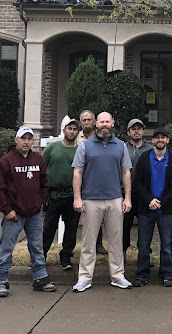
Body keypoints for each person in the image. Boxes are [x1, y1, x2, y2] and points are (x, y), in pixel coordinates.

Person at [0, 127, 56, 298]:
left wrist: (41, 201)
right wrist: (7, 210)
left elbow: (44, 182)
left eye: (29, 138)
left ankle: (40, 278)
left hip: (34, 213)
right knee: (7, 247)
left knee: (37, 246)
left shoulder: (38, 159)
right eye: (23, 138)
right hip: (14, 214)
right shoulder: (6, 161)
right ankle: (0, 280)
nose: (26, 142)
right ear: (16, 140)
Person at [71, 111, 133, 291]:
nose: (104, 124)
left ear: (112, 123)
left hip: (115, 199)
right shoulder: (85, 146)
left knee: (116, 241)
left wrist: (127, 198)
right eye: (101, 122)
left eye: (107, 121)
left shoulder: (121, 146)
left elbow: (126, 173)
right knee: (88, 242)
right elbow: (77, 172)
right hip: (91, 200)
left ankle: (118, 276)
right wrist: (77, 198)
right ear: (96, 124)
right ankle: (84, 278)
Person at [132, 127, 172, 287]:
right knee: (143, 245)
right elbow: (137, 183)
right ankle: (142, 275)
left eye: (163, 137)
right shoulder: (144, 158)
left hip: (166, 210)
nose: (160, 140)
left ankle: (167, 274)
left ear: (167, 140)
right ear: (152, 140)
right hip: (146, 208)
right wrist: (149, 200)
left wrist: (162, 201)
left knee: (166, 244)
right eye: (157, 137)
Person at [42, 118, 81, 270]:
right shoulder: (52, 148)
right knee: (48, 228)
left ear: (78, 132)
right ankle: (41, 256)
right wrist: (43, 193)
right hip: (54, 196)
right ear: (64, 130)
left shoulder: (80, 150)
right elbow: (41, 170)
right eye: (69, 128)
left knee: (71, 229)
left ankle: (66, 257)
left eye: (75, 129)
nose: (72, 132)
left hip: (72, 195)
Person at [77, 109, 108, 255]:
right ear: (81, 123)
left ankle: (98, 244)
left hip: (96, 182)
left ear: (94, 122)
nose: (87, 122)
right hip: (81, 181)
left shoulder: (101, 137)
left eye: (89, 120)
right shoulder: (76, 138)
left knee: (97, 215)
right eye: (84, 120)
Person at [123, 118, 153, 252]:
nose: (136, 131)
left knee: (145, 226)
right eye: (133, 129)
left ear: (143, 131)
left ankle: (144, 253)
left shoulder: (151, 149)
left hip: (144, 194)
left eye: (139, 129)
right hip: (125, 193)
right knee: (124, 225)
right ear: (128, 132)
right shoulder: (122, 148)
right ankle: (122, 252)